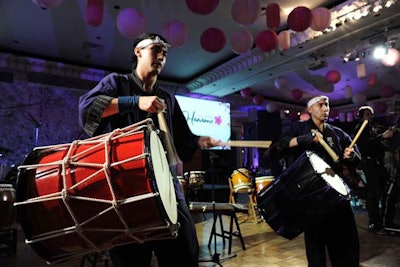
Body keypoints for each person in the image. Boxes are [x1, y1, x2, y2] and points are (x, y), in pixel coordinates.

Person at [78, 33, 219, 267]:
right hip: (126, 189)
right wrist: (134, 102)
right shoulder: (117, 83)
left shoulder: (167, 98)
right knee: (132, 259)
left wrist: (200, 140)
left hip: (166, 185)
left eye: (165, 52)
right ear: (138, 52)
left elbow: (183, 140)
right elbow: (87, 109)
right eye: (156, 49)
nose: (162, 56)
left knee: (184, 253)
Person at [276, 95, 361, 267]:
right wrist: (303, 139)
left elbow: (356, 157)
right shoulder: (298, 128)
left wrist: (350, 156)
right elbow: (280, 146)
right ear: (309, 109)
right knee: (315, 245)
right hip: (311, 198)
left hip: (336, 196)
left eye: (327, 105)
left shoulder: (337, 133)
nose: (325, 108)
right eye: (320, 105)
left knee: (343, 242)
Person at [352, 106, 395, 232]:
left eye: (371, 114)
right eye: (367, 115)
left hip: (376, 163)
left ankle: (382, 221)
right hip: (369, 164)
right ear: (361, 116)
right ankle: (375, 222)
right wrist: (382, 136)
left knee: (381, 192)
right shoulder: (360, 128)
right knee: (373, 194)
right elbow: (364, 144)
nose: (371, 117)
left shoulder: (370, 128)